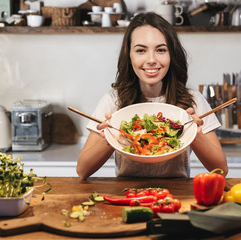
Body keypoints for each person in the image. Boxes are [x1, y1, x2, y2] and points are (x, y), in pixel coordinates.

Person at [77, 12, 228, 179]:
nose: (151, 60)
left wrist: (195, 133)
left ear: (172, 55)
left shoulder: (192, 100)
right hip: (127, 196)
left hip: (176, 198)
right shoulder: (113, 101)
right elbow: (82, 170)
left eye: (161, 50)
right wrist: (109, 137)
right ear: (129, 56)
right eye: (141, 50)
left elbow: (220, 169)